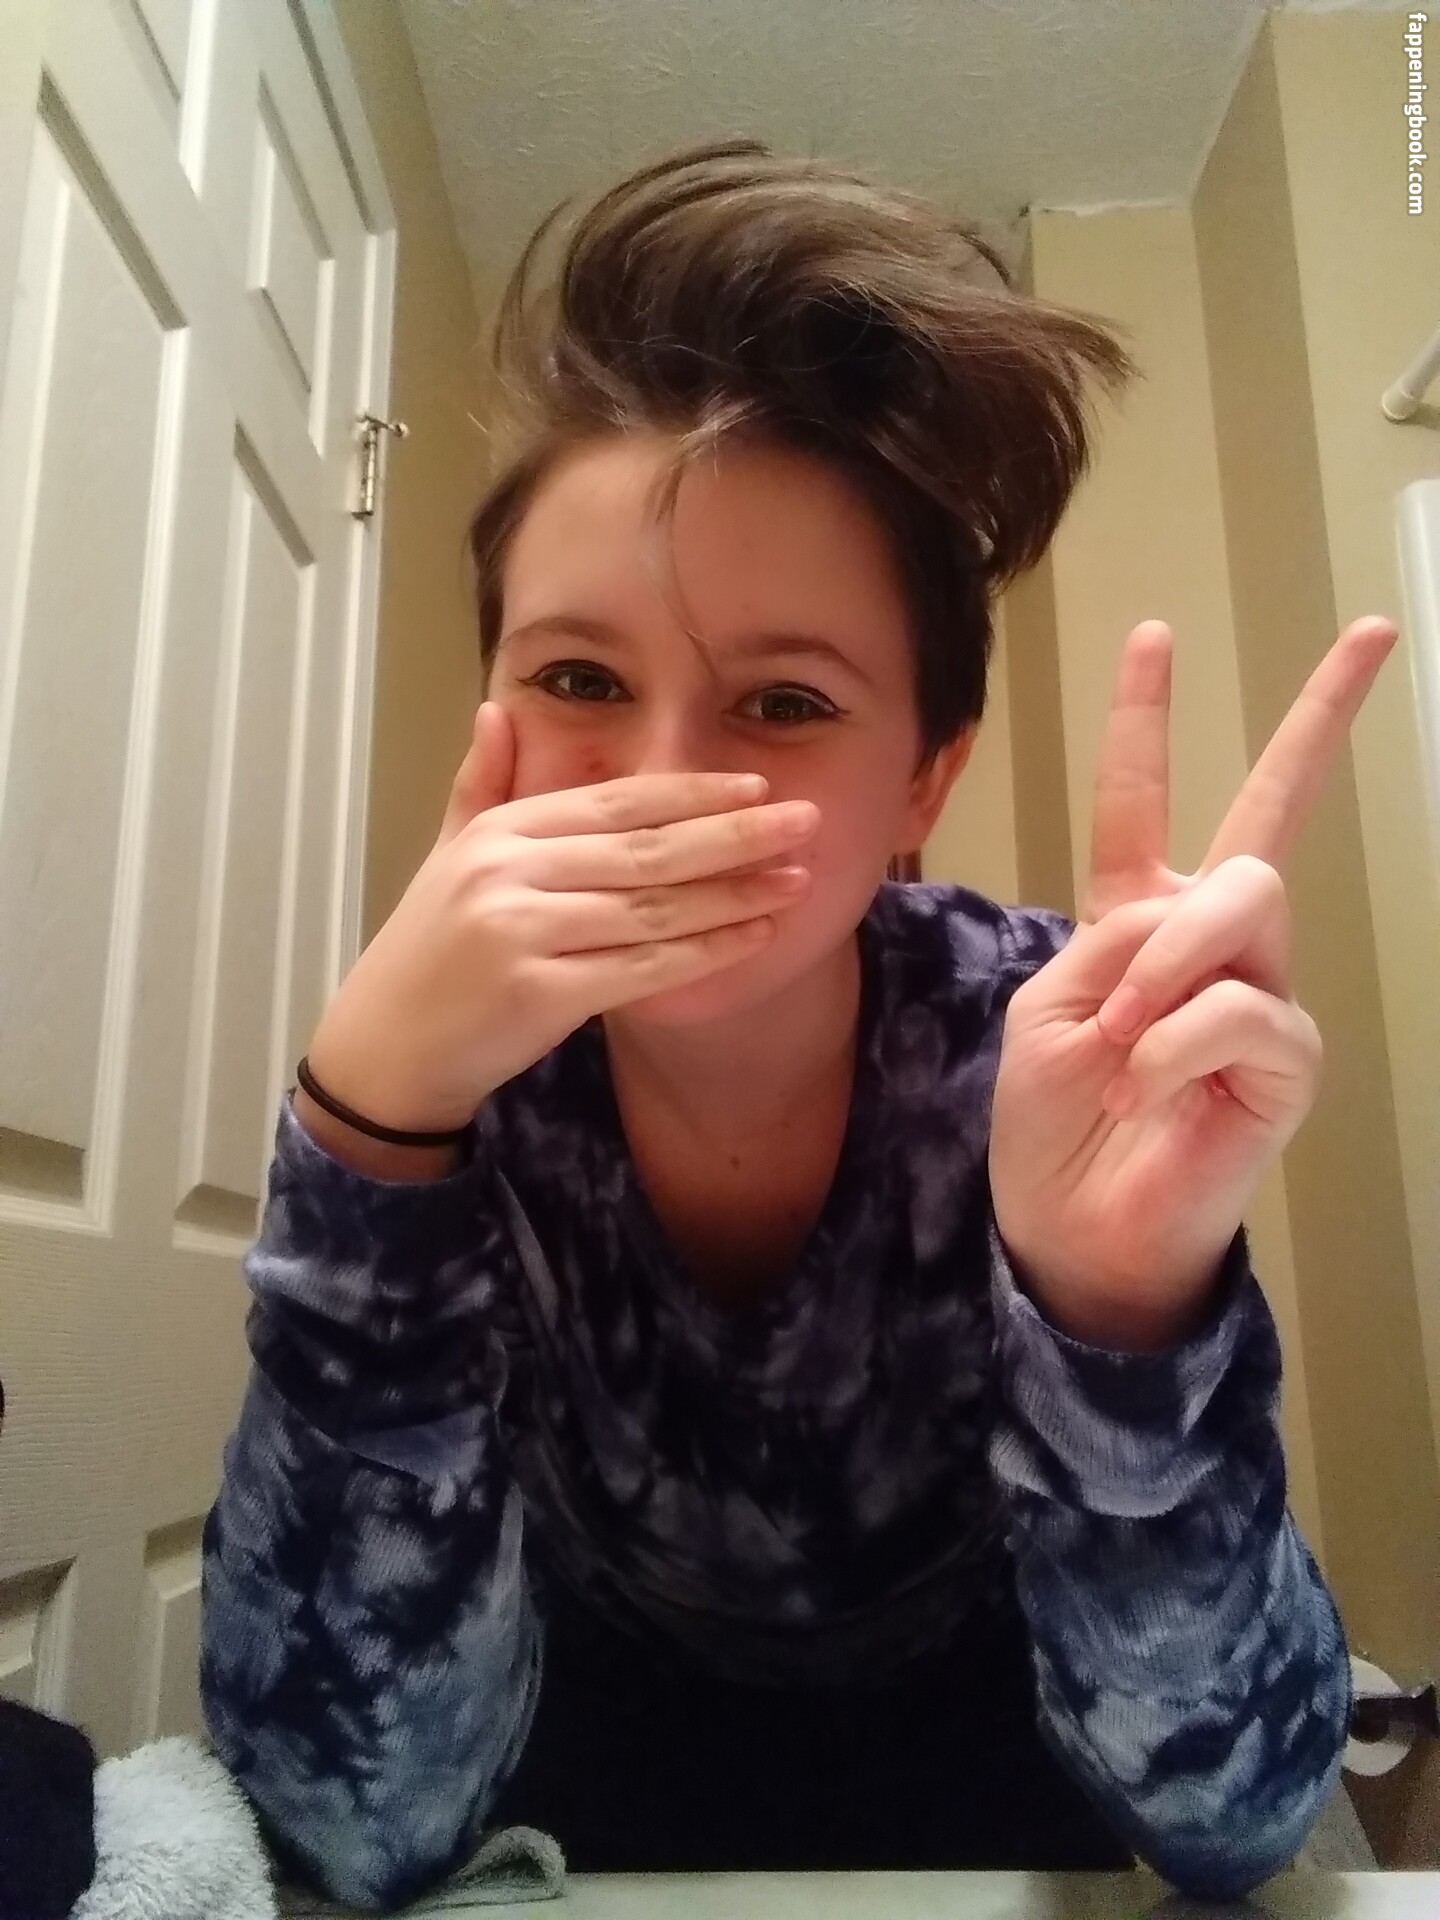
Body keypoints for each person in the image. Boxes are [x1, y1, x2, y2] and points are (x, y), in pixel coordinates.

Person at [197, 139, 1393, 1913]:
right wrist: (365, 1143)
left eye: (783, 701)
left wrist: (1121, 1317)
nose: (665, 785)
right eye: (580, 678)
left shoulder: (1060, 1055)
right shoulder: (437, 1084)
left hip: (1011, 1800)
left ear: (923, 778)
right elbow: (350, 1833)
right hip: (584, 1808)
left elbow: (1237, 1829)